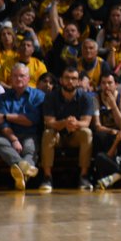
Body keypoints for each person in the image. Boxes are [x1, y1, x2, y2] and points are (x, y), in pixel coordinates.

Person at [38, 64, 96, 192]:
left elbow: (86, 122)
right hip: (57, 134)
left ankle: (84, 176)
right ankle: (47, 177)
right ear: (61, 80)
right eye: (67, 78)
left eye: (74, 78)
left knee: (87, 133)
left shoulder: (86, 97)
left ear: (79, 81)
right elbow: (49, 122)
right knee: (47, 133)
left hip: (75, 134)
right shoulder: (51, 97)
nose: (70, 81)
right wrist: (65, 122)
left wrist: (74, 123)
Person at [0, 63, 43, 190]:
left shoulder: (38, 95)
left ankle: (21, 175)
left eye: (22, 76)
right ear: (10, 78)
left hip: (29, 134)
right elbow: (0, 123)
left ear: (28, 78)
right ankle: (23, 168)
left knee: (29, 150)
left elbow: (32, 120)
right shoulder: (1, 98)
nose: (18, 79)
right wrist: (14, 139)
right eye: (15, 76)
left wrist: (6, 116)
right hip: (8, 135)